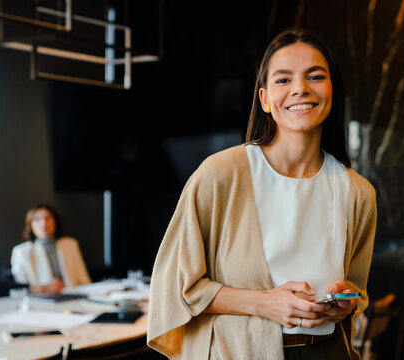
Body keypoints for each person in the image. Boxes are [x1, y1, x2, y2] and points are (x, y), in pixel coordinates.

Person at [147, 29, 377, 360]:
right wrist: (266, 303)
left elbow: (358, 295)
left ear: (332, 92)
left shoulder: (358, 193)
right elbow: (174, 289)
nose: (301, 88)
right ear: (265, 99)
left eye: (315, 76)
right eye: (284, 80)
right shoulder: (221, 174)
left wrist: (343, 303)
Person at [10, 204, 90, 289]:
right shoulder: (21, 252)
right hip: (40, 299)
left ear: (55, 221)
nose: (43, 223)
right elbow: (22, 287)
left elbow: (83, 279)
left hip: (72, 295)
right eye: (37, 219)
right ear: (30, 225)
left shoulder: (70, 244)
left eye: (47, 218)